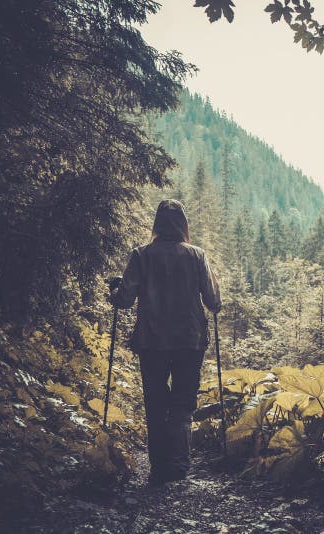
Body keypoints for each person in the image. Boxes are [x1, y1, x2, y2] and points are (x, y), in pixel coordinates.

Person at [109, 199, 221, 486]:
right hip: (189, 340)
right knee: (183, 403)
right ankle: (179, 466)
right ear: (183, 224)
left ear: (156, 224)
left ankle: (159, 468)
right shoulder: (197, 256)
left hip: (152, 340)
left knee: (156, 403)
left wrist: (114, 290)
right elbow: (213, 301)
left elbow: (123, 300)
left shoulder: (141, 255)